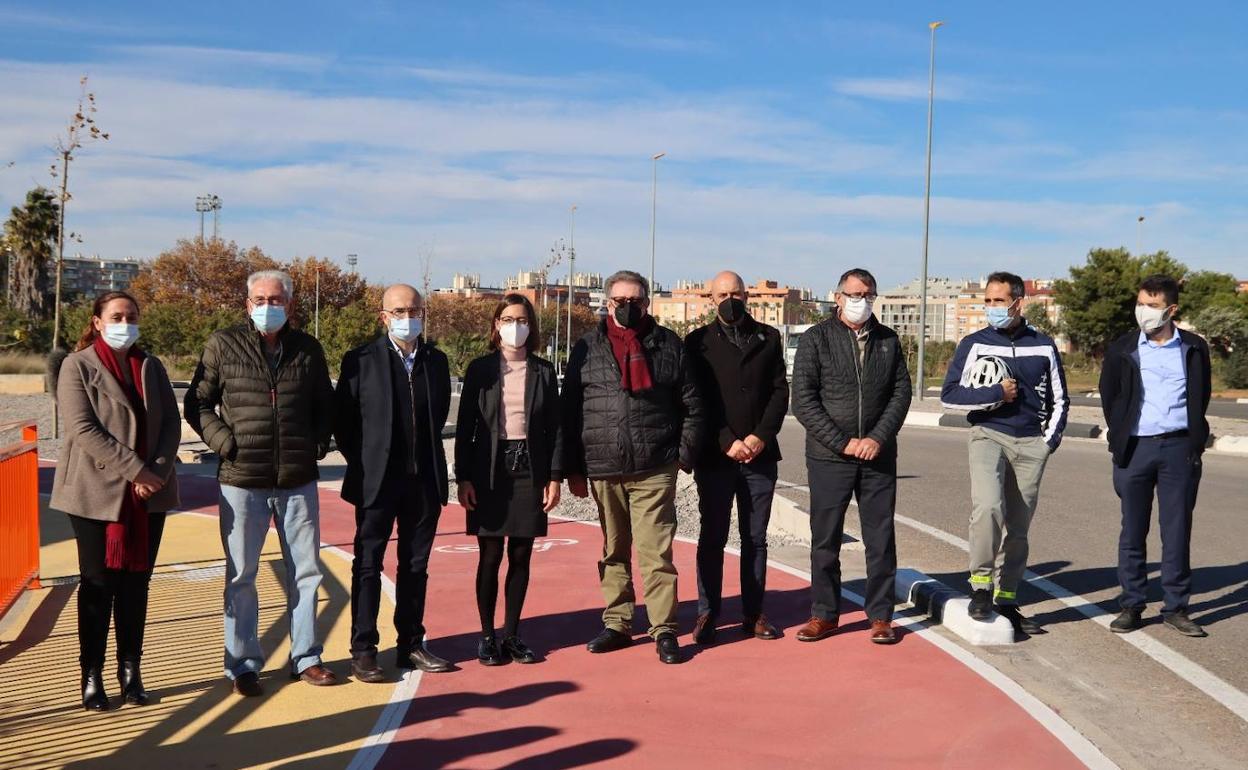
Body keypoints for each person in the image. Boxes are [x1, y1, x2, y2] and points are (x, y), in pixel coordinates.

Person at [185, 270, 337, 695]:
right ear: (247, 302)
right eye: (259, 299)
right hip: (241, 480)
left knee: (306, 572)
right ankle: (242, 663)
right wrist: (224, 443)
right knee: (242, 575)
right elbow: (197, 402)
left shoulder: (308, 348)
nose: (267, 306)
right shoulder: (223, 343)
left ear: (289, 304)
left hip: (297, 480)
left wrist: (318, 445)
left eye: (276, 300)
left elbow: (325, 404)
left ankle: (306, 657)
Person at [562, 269, 704, 664]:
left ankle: (664, 629)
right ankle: (618, 623)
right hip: (604, 466)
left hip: (655, 466)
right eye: (620, 302)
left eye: (636, 301)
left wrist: (681, 456)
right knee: (613, 549)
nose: (628, 308)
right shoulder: (587, 348)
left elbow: (693, 405)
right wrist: (573, 467)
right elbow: (571, 409)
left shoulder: (668, 345)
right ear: (607, 303)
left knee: (656, 552)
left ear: (647, 302)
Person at [51, 291, 181, 711]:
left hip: (150, 494)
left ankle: (131, 671)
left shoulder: (152, 366)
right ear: (98, 321)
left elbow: (171, 426)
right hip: (95, 493)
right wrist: (136, 471)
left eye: (132, 315)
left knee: (136, 584)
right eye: (117, 316)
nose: (126, 322)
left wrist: (156, 473)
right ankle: (91, 674)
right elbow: (83, 429)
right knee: (98, 583)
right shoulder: (78, 366)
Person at [335, 284, 453, 681]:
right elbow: (345, 423)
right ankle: (364, 650)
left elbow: (437, 419)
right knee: (368, 564)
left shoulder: (436, 361)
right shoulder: (360, 360)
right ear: (383, 316)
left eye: (415, 309)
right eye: (399, 310)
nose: (408, 317)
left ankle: (411, 645)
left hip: (423, 482)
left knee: (415, 566)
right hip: (376, 482)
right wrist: (369, 461)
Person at [940, 271, 1068, 634]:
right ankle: (980, 586)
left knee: (1019, 526)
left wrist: (1048, 443)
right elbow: (949, 396)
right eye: (988, 301)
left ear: (1018, 302)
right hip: (988, 434)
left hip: (1031, 444)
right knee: (988, 507)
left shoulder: (1043, 345)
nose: (992, 308)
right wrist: (996, 393)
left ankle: (1007, 597)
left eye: (999, 301)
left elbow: (1061, 399)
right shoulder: (974, 343)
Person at [791, 268, 910, 645]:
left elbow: (900, 394)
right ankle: (824, 614)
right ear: (838, 296)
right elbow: (804, 401)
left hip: (878, 456)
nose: (862, 302)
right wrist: (842, 442)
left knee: (880, 539)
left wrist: (877, 438)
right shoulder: (816, 339)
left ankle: (880, 616)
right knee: (825, 540)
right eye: (855, 294)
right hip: (829, 458)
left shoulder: (889, 340)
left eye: (869, 295)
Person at [1099, 274, 1211, 638]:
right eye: (1140, 303)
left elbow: (1201, 394)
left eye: (1152, 305)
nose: (1143, 312)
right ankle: (1131, 605)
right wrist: (1120, 434)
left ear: (1171, 309)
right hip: (1135, 448)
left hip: (1179, 448)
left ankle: (1176, 608)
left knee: (1176, 530)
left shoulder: (1193, 348)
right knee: (1132, 529)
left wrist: (1193, 438)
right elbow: (1110, 396)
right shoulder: (1122, 348)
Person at [454, 294, 563, 666]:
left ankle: (512, 634)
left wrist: (554, 478)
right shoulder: (480, 369)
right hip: (488, 471)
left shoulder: (544, 372)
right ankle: (487, 636)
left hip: (529, 471)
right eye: (507, 319)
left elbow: (555, 429)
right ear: (496, 325)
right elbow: (466, 427)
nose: (514, 326)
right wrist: (463, 477)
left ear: (530, 326)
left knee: (521, 555)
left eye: (521, 319)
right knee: (489, 555)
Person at [684, 271, 789, 645]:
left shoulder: (769, 337)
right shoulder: (696, 343)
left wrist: (760, 436)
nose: (731, 299)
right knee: (712, 536)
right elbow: (697, 401)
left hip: (760, 457)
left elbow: (780, 392)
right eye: (723, 294)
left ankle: (754, 613)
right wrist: (726, 440)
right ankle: (707, 612)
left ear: (747, 296)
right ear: (711, 299)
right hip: (715, 456)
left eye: (737, 293)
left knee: (755, 538)